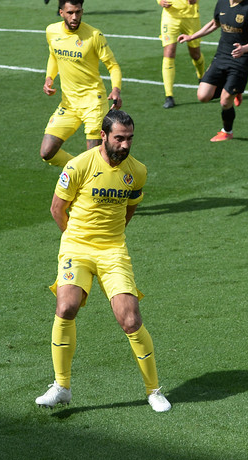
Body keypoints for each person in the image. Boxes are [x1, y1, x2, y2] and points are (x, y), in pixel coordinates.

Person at [35, 109, 171, 413]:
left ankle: (154, 390)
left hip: (113, 251)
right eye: (119, 138)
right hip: (76, 247)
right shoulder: (79, 165)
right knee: (65, 306)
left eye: (130, 139)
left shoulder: (137, 171)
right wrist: (74, 241)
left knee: (131, 319)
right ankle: (61, 386)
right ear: (104, 135)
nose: (125, 145)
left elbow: (130, 209)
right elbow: (58, 209)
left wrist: (111, 239)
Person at [177, 0, 248, 142]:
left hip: (240, 60)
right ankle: (233, 90)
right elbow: (214, 24)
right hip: (221, 56)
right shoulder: (222, 3)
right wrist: (192, 36)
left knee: (224, 102)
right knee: (203, 96)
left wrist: (244, 49)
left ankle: (227, 131)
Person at [40, 0, 122, 168]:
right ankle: (80, 170)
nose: (74, 17)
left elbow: (113, 65)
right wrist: (49, 78)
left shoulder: (94, 36)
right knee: (47, 153)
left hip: (94, 103)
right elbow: (53, 55)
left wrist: (116, 89)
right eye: (70, 13)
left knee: (95, 158)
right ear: (61, 12)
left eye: (78, 12)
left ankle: (112, 183)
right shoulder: (52, 31)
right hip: (68, 104)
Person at [153, 0, 209, 110]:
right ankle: (169, 95)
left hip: (191, 16)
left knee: (195, 53)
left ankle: (202, 78)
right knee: (169, 53)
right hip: (170, 17)